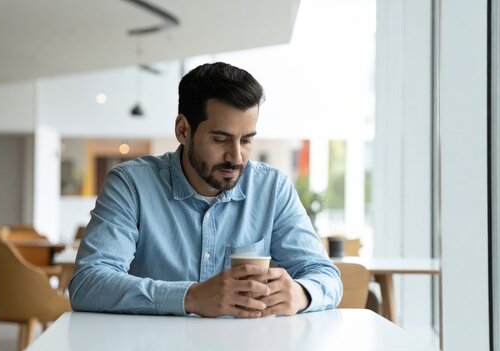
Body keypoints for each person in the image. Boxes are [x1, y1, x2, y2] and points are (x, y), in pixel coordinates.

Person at [69, 62, 342, 318]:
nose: (236, 157)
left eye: (246, 140)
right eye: (220, 139)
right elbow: (88, 283)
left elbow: (324, 275)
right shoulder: (131, 184)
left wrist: (301, 293)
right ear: (183, 130)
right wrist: (192, 297)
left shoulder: (272, 188)